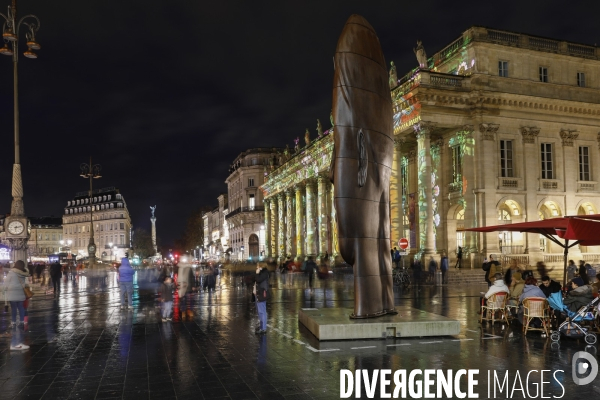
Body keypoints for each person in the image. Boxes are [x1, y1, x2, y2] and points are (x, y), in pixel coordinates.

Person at [3, 260, 30, 350]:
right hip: (20, 293)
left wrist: (4, 289)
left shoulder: (11, 273)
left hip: (12, 294)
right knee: (21, 308)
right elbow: (25, 283)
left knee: (13, 308)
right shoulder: (23, 273)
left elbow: (6, 284)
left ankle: (13, 322)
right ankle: (22, 321)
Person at [255, 263, 269, 334]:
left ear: (261, 267)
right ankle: (261, 327)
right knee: (260, 311)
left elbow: (258, 280)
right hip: (259, 294)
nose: (256, 267)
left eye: (258, 266)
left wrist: (257, 274)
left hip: (262, 294)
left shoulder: (264, 273)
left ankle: (263, 328)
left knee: (262, 311)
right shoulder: (262, 273)